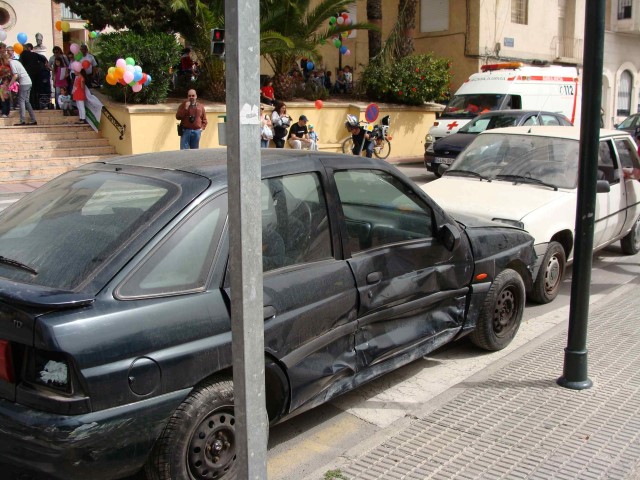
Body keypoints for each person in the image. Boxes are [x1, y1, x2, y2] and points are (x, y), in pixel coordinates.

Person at [9, 56, 37, 125]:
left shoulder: (11, 63)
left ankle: (22, 120)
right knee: (27, 101)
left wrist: (9, 84)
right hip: (28, 82)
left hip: (24, 83)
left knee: (21, 101)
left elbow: (15, 75)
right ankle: (33, 119)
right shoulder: (16, 61)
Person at [19, 43, 48, 110]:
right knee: (36, 89)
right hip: (37, 73)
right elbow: (44, 59)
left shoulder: (22, 55)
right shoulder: (34, 54)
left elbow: (21, 64)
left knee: (29, 90)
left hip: (28, 74)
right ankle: (37, 105)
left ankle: (30, 105)